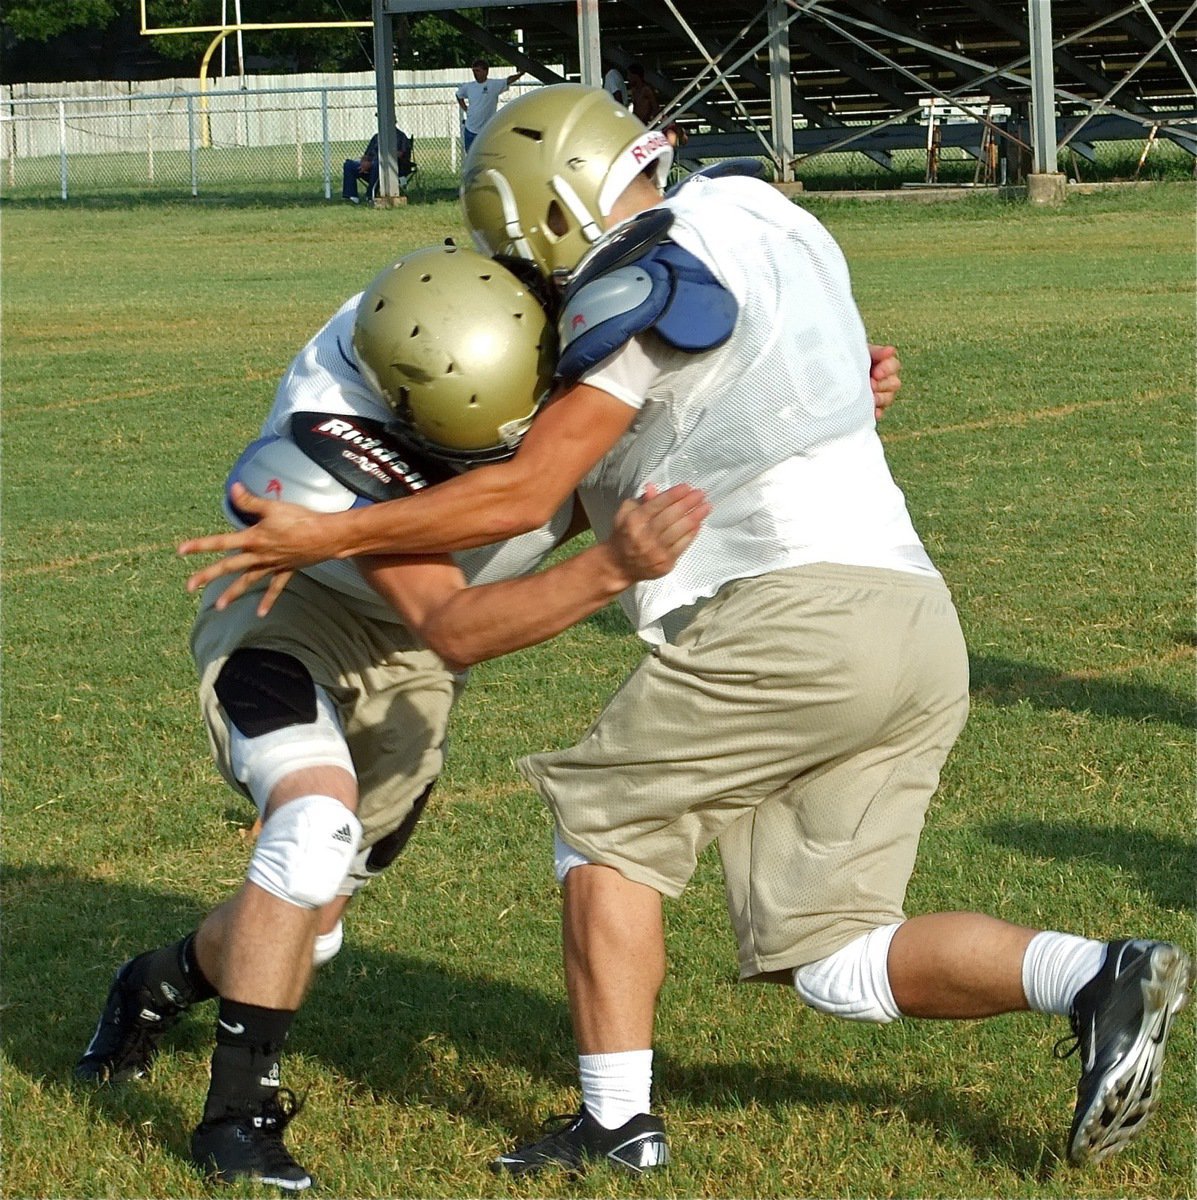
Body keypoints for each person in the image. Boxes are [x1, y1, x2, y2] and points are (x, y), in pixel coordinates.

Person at [177, 86, 1192, 1179]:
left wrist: (339, 529)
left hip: (789, 619)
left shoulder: (639, 280)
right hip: (917, 620)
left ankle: (617, 1125)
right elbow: (771, 382)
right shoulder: (759, 209)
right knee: (835, 955)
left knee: (602, 830)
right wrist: (844, 395)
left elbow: (529, 493)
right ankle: (1093, 974)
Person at [76, 243, 709, 1192]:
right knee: (310, 824)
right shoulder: (325, 437)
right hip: (292, 615)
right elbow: (455, 626)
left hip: (409, 660)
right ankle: (235, 1124)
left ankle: (157, 981)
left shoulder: (504, 325)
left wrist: (823, 394)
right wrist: (609, 567)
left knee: (313, 917)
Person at [456, 59, 523, 153]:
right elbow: (459, 95)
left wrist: (521, 73)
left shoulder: (493, 85)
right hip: (471, 129)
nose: (475, 74)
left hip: (487, 129)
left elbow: (508, 80)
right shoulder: (468, 87)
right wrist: (465, 108)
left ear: (486, 71)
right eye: (474, 71)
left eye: (478, 71)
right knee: (471, 156)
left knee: (488, 154)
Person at [341, 126, 411, 204]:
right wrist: (363, 162)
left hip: (390, 168)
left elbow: (400, 154)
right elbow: (366, 154)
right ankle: (352, 197)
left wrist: (373, 162)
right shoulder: (376, 137)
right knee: (348, 165)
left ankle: (370, 195)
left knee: (378, 165)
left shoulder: (401, 136)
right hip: (370, 165)